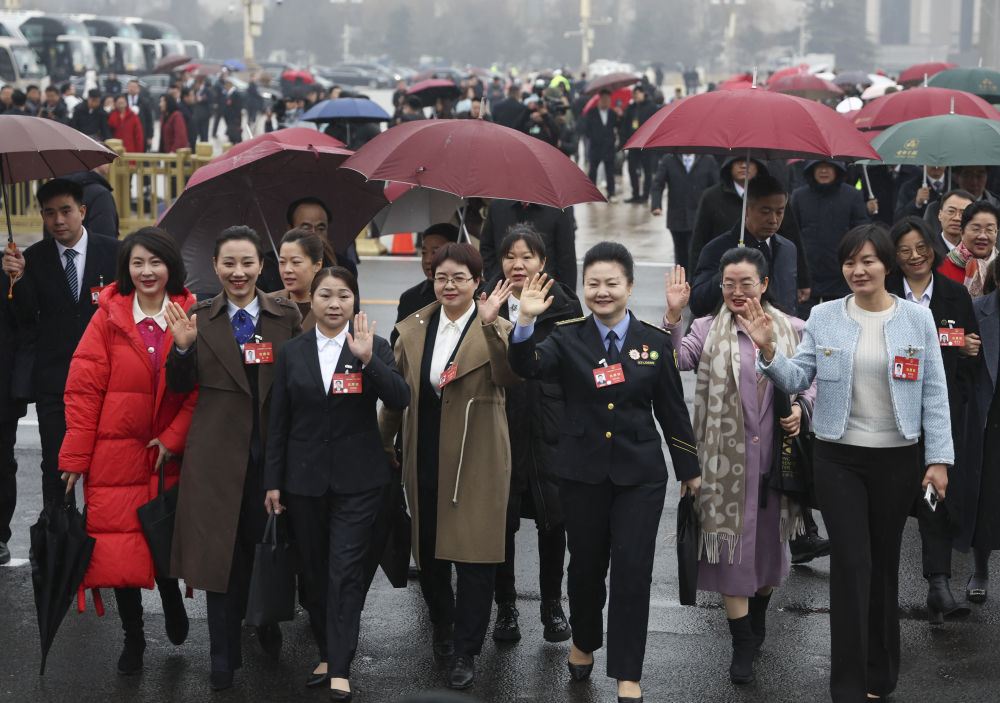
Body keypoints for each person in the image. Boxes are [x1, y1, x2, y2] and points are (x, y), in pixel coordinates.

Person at [744, 224, 952, 701]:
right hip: (838, 458)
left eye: (868, 261)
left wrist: (939, 460)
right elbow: (800, 376)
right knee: (852, 565)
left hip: (898, 459)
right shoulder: (824, 316)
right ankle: (849, 685)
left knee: (883, 566)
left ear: (887, 265)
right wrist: (770, 351)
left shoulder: (918, 320)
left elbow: (934, 393)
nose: (858, 270)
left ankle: (881, 675)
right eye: (849, 262)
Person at [508, 242, 701, 703]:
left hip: (641, 476)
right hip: (581, 473)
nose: (603, 291)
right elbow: (527, 366)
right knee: (588, 568)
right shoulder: (567, 336)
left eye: (612, 283)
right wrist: (525, 322)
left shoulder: (655, 341)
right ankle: (584, 641)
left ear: (630, 287)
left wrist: (688, 468)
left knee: (633, 570)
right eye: (593, 283)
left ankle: (627, 671)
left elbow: (673, 411)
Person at [663, 248, 815, 684]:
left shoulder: (794, 329)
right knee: (731, 552)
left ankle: (758, 618)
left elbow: (815, 378)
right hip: (721, 462)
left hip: (775, 458)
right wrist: (673, 317)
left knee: (767, 551)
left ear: (764, 284)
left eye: (746, 283)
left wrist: (803, 407)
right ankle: (742, 642)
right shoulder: (706, 328)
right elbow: (676, 362)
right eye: (729, 284)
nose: (736, 291)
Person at [163, 226, 302, 691]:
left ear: (262, 266)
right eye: (228, 263)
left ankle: (266, 620)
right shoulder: (198, 317)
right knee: (219, 562)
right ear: (215, 267)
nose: (238, 272)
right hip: (216, 460)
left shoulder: (287, 315)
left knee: (267, 548)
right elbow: (179, 387)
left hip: (273, 456)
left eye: (247, 263)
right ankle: (222, 658)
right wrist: (182, 349)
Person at [378, 243, 520, 690]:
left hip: (476, 455)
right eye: (442, 277)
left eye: (460, 277)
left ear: (478, 282)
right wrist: (384, 443)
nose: (450, 285)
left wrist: (492, 323)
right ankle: (443, 628)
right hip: (424, 451)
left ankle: (466, 649)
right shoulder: (414, 328)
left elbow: (508, 376)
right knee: (431, 554)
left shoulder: (498, 327)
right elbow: (395, 398)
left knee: (477, 558)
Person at [264, 266, 410, 700]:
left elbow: (401, 398)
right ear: (312, 300)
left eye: (343, 296)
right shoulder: (292, 352)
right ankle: (329, 650)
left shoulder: (374, 346)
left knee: (344, 571)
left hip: (359, 480)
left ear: (354, 301)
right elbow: (278, 423)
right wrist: (273, 481)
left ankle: (340, 666)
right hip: (303, 481)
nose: (333, 304)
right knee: (313, 573)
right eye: (325, 295)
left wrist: (368, 361)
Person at [59, 227, 198, 674]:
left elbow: (203, 391)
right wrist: (76, 460)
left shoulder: (190, 315)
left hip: (166, 458)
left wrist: (174, 439)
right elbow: (83, 392)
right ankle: (133, 637)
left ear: (170, 267)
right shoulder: (108, 317)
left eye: (155, 262)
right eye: (137, 263)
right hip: (114, 456)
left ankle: (171, 593)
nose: (146, 272)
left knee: (163, 538)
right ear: (126, 269)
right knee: (118, 550)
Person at [489, 226, 582, 645]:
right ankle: (505, 606)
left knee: (554, 519)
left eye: (527, 256)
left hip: (550, 426)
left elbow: (577, 370)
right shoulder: (490, 303)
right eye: (510, 256)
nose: (518, 264)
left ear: (543, 262)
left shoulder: (564, 304)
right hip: (501, 425)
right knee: (501, 522)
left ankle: (551, 604)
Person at [1, 179, 119, 506]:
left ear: (82, 211)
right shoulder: (34, 259)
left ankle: (99, 536)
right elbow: (24, 318)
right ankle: (57, 539)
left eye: (66, 211)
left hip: (106, 378)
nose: (59, 221)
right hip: (55, 380)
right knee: (56, 464)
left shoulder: (114, 252)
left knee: (108, 465)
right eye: (50, 213)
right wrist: (18, 279)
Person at [886, 216, 979, 624]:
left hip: (941, 413)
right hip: (890, 413)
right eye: (904, 250)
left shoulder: (956, 295)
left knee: (935, 497)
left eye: (921, 248)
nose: (915, 257)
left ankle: (939, 585)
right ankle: (880, 589)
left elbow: (969, 349)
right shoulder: (884, 293)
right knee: (889, 503)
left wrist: (961, 347)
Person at [690, 176, 799, 317]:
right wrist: (729, 269)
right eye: (765, 212)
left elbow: (790, 300)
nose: (773, 220)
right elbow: (698, 304)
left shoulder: (788, 249)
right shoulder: (717, 248)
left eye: (779, 212)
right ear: (747, 210)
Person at [963, 256, 1000, 606]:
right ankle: (980, 569)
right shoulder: (977, 309)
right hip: (988, 416)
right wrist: (963, 350)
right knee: (986, 496)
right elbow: (959, 364)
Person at [790, 160, 872, 316]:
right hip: (808, 274)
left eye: (828, 167)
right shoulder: (799, 196)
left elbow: (862, 231)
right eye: (819, 167)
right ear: (811, 170)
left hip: (841, 273)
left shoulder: (852, 195)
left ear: (837, 170)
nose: (823, 171)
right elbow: (793, 234)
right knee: (804, 325)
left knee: (840, 323)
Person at [258, 197, 358, 292]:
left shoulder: (344, 267)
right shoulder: (267, 266)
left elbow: (352, 308)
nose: (314, 234)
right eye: (306, 228)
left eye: (320, 228)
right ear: (290, 229)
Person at [480, 200, 577, 287]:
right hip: (504, 289)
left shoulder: (560, 208)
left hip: (545, 289)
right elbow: (487, 248)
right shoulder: (497, 205)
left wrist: (565, 298)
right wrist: (495, 278)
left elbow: (567, 258)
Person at [392, 223, 460, 346]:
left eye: (435, 252)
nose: (428, 260)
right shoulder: (410, 298)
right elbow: (397, 345)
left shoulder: (475, 295)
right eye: (424, 253)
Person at [649, 153, 720, 271]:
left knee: (696, 252)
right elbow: (658, 184)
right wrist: (656, 205)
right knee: (681, 254)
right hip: (677, 216)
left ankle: (695, 282)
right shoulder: (669, 159)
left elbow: (716, 186)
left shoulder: (708, 160)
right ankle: (683, 282)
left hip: (700, 216)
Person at [938, 201, 1000, 297]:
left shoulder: (997, 266)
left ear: (996, 233)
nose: (983, 236)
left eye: (989, 230)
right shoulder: (941, 268)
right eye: (976, 229)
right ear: (962, 232)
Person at [270, 228, 327, 329]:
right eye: (282, 262)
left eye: (296, 262)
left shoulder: (335, 308)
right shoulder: (266, 304)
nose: (287, 270)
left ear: (317, 265)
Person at [619, 86, 658, 203]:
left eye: (637, 93)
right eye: (633, 94)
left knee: (647, 171)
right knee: (631, 169)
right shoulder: (630, 108)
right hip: (633, 145)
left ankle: (645, 195)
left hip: (647, 145)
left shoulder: (651, 107)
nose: (635, 96)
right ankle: (635, 194)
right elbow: (624, 126)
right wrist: (623, 142)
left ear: (643, 93)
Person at [63, 164, 120, 238]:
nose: (109, 163)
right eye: (105, 157)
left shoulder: (57, 189)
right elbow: (105, 240)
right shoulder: (100, 195)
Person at [583, 90, 621, 201]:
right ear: (599, 99)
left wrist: (620, 116)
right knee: (593, 171)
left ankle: (611, 193)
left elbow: (618, 127)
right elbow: (586, 129)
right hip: (596, 147)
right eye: (603, 99)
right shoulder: (591, 113)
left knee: (610, 171)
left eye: (607, 99)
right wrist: (594, 137)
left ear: (610, 100)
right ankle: (591, 195)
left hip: (609, 147)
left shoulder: (613, 114)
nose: (605, 101)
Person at [933, 189, 975, 256]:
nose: (957, 218)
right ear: (940, 215)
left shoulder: (977, 251)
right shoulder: (928, 249)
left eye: (963, 213)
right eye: (951, 211)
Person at [126, 80, 154, 152]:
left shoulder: (145, 102)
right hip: (126, 134)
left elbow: (149, 120)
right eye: (130, 86)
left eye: (134, 87)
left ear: (138, 89)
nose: (132, 89)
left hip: (141, 133)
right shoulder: (123, 100)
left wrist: (150, 136)